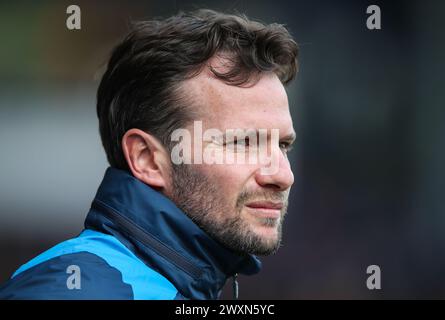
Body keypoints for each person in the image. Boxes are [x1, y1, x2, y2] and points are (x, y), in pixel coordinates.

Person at [0, 9, 298, 300]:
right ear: (147, 159)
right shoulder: (74, 290)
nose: (283, 175)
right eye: (243, 143)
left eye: (283, 145)